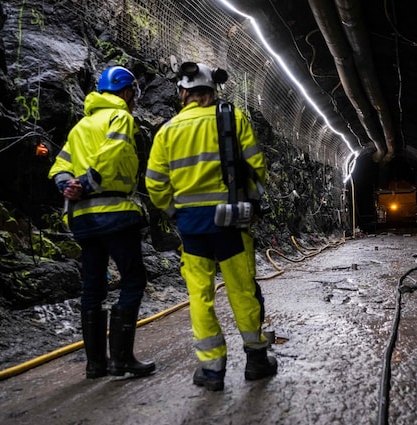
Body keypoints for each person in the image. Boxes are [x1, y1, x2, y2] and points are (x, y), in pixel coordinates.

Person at [145, 61, 276, 391]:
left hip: (192, 228)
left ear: (183, 93)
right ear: (212, 91)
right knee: (243, 291)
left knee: (199, 296)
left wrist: (175, 213)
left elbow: (155, 184)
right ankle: (256, 361)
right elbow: (256, 166)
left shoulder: (168, 131)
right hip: (231, 222)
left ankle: (212, 370)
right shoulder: (233, 119)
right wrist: (253, 205)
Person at [48, 65, 155, 379]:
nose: (134, 101)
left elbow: (59, 166)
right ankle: (122, 359)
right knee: (133, 280)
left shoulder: (80, 127)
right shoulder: (120, 117)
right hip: (115, 214)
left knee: (92, 288)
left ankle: (96, 364)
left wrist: (68, 184)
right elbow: (114, 151)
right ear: (125, 92)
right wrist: (89, 181)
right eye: (133, 94)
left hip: (83, 219)